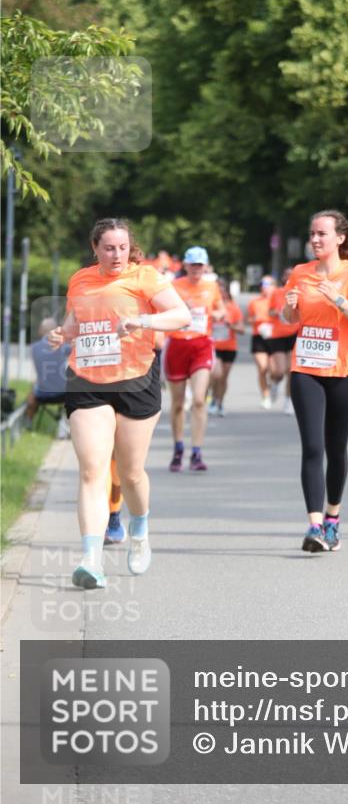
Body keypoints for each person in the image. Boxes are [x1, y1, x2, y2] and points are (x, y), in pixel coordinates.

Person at [47, 218, 190, 589]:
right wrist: (60, 335)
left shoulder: (146, 277)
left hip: (135, 380)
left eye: (122, 248)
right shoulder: (80, 279)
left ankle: (139, 528)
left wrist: (142, 320)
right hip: (87, 379)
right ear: (95, 248)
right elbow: (74, 324)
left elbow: (181, 315)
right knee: (92, 470)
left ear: (130, 248)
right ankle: (91, 559)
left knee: (130, 474)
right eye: (109, 248)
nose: (116, 255)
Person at [283, 210, 348, 553]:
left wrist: (337, 299)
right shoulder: (300, 273)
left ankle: (333, 519)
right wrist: (290, 307)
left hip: (345, 371)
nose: (315, 240)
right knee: (312, 447)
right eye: (312, 234)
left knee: (336, 449)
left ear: (339, 238)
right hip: (306, 368)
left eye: (322, 234)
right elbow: (291, 318)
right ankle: (314, 526)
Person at [164, 246, 225, 471]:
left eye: (200, 265)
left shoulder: (212, 287)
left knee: (199, 399)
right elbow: (162, 310)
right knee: (178, 403)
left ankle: (197, 452)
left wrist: (216, 314)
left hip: (202, 343)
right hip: (178, 344)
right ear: (185, 266)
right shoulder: (174, 286)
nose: (197, 269)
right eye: (193, 265)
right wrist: (181, 310)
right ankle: (178, 447)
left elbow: (221, 311)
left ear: (205, 266)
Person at [25, 317, 70, 438]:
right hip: (64, 393)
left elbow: (37, 373)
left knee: (31, 395)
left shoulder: (34, 348)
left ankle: (28, 425)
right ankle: (63, 430)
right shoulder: (65, 346)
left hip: (42, 394)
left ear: (41, 331)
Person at [209, 280, 245, 416]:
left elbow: (241, 329)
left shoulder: (233, 308)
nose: (220, 294)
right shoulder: (210, 307)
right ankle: (212, 400)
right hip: (213, 347)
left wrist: (230, 325)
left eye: (222, 291)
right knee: (217, 374)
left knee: (223, 378)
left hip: (229, 347)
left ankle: (220, 403)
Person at [267, 267, 300, 415]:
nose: (288, 278)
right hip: (278, 334)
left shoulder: (300, 292)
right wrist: (280, 311)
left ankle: (288, 400)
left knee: (291, 370)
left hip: (294, 333)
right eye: (286, 276)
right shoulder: (277, 292)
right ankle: (275, 382)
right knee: (279, 370)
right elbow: (270, 311)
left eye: (291, 275)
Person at [247, 275, 278, 410]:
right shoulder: (255, 302)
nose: (266, 288)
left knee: (274, 370)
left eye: (269, 285)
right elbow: (248, 319)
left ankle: (273, 386)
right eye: (264, 285)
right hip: (259, 336)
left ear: (274, 287)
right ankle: (265, 396)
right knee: (262, 367)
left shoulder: (278, 301)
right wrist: (254, 319)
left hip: (274, 336)